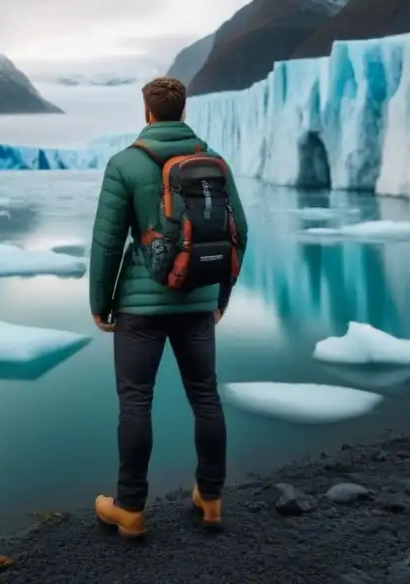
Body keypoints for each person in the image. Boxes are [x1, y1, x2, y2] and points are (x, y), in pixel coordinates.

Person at [88, 76, 249, 539]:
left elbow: (106, 242)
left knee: (136, 401)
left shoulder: (124, 164)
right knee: (205, 396)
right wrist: (220, 297)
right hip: (198, 302)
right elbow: (241, 232)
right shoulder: (214, 163)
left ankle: (131, 508)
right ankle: (212, 497)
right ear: (183, 110)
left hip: (140, 308)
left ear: (147, 112)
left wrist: (101, 303)